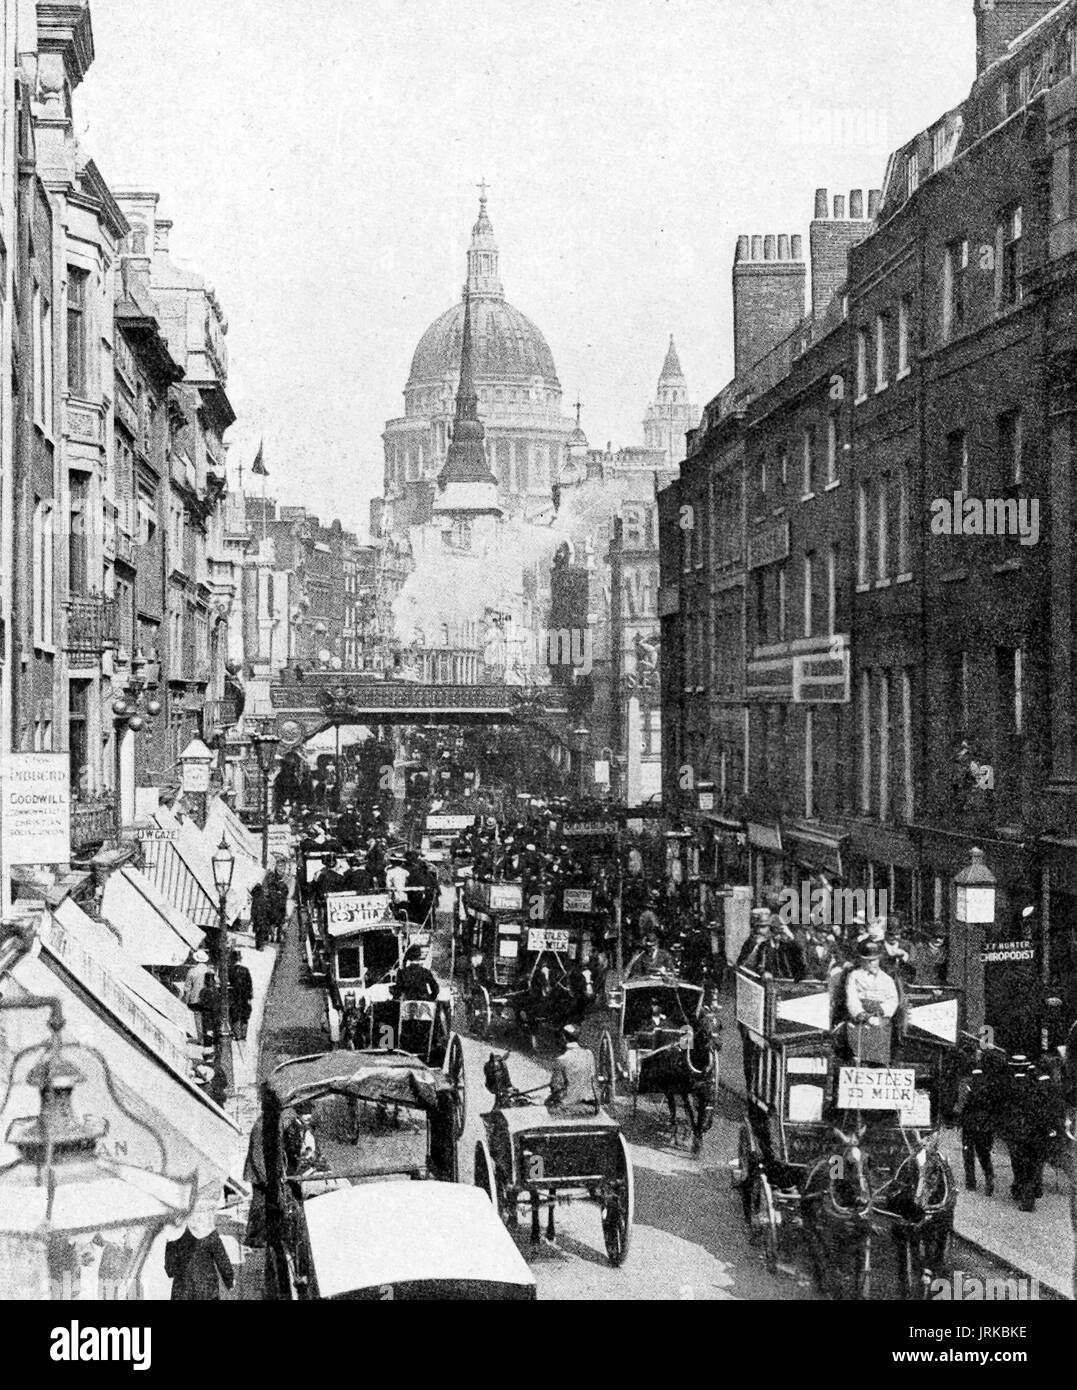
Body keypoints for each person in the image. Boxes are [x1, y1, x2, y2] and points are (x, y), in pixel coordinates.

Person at [954, 1049, 1002, 1195]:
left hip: (969, 1123)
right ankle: (989, 1175)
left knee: (968, 1151)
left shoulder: (966, 1083)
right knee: (983, 1152)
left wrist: (957, 1118)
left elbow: (960, 1105)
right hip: (985, 1124)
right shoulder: (991, 1083)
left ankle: (971, 1182)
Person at [164, 1207, 234, 1301]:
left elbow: (170, 1270)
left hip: (182, 1291)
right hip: (207, 1288)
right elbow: (221, 1256)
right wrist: (229, 1279)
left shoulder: (174, 1233)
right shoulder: (207, 1230)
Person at [845, 941, 900, 1027]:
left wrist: (883, 1010)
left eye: (874, 960)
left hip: (880, 1013)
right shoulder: (854, 976)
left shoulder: (887, 978)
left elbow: (893, 999)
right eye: (867, 960)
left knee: (881, 1031)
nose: (870, 963)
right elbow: (851, 997)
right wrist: (860, 1013)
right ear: (862, 960)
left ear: (879, 959)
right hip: (861, 1013)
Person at [547, 1024, 599, 1112]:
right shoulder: (589, 1054)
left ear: (563, 1037)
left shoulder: (562, 1059)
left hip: (569, 1107)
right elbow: (592, 1076)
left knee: (549, 1104)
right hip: (591, 1105)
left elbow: (556, 1086)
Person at [183, 950, 213, 1042]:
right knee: (207, 1018)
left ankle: (201, 1038)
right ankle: (207, 1037)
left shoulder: (192, 971)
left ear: (196, 960)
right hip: (207, 998)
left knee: (198, 1018)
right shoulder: (210, 971)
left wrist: (186, 1000)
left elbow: (187, 988)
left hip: (195, 999)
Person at [229, 949, 254, 1042]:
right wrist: (249, 996)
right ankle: (243, 1034)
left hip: (234, 996)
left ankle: (237, 1034)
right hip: (244, 996)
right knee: (244, 1016)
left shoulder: (229, 970)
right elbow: (249, 985)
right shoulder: (245, 970)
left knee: (235, 1015)